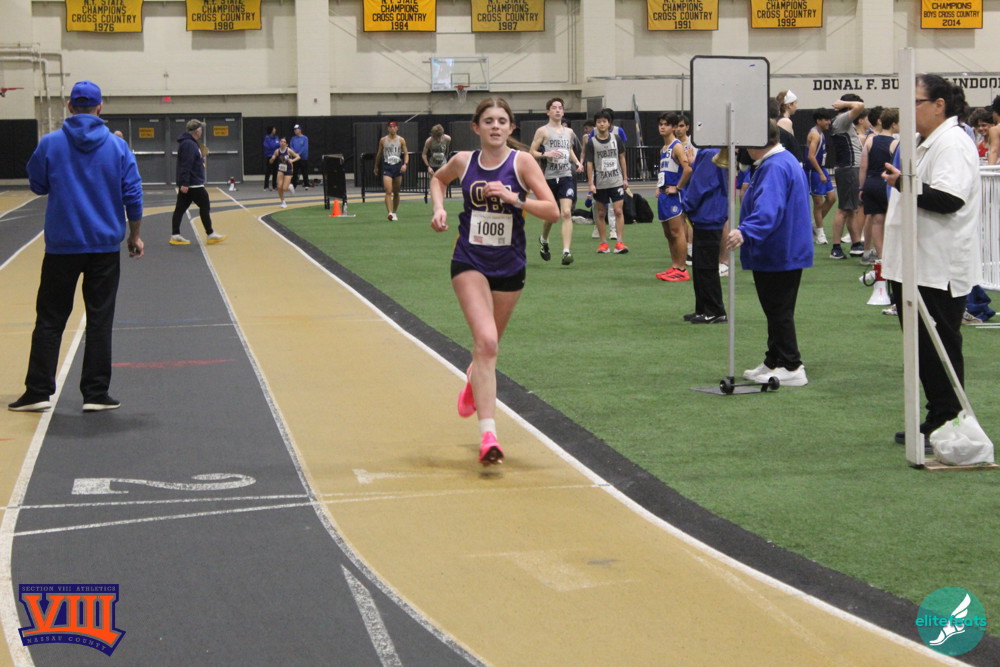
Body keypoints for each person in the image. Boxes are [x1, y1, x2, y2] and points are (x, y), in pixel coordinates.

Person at [429, 98, 558, 465]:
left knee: (488, 347)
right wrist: (439, 208)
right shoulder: (463, 161)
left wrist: (515, 199)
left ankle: (475, 376)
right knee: (485, 342)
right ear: (476, 127)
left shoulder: (523, 163)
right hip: (469, 259)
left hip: (510, 266)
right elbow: (438, 179)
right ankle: (489, 436)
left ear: (511, 128)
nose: (496, 126)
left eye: (502, 121)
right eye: (488, 121)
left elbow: (552, 210)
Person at [10, 80, 144, 413]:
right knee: (99, 319)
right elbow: (133, 195)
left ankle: (37, 391)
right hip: (104, 248)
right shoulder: (117, 146)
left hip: (62, 247)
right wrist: (135, 235)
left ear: (70, 106)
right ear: (100, 108)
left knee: (50, 319)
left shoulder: (50, 143)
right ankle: (96, 393)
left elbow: (38, 185)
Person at [881, 74, 981, 448]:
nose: (909, 111)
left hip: (937, 266)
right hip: (917, 263)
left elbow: (949, 199)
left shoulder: (952, 142)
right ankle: (938, 416)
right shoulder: (927, 142)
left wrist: (901, 183)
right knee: (924, 349)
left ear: (939, 105)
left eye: (916, 102)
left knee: (939, 348)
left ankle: (949, 421)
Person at [726, 120, 813, 387]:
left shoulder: (774, 166)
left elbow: (768, 209)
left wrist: (745, 231)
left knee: (778, 310)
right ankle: (774, 359)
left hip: (779, 250)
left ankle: (791, 364)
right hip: (782, 249)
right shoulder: (782, 161)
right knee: (777, 309)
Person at [530, 97, 583, 266]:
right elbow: (532, 151)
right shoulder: (542, 131)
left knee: (566, 213)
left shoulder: (569, 132)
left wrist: (577, 162)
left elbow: (569, 149)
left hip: (566, 176)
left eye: (560, 107)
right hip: (550, 178)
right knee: (551, 216)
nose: (558, 110)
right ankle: (544, 239)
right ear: (548, 112)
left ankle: (566, 251)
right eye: (554, 108)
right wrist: (546, 154)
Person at [681, 147, 728, 324]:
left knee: (706, 267)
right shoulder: (713, 152)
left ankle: (714, 310)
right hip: (708, 215)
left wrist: (687, 205)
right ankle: (703, 308)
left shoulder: (710, 153)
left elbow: (700, 185)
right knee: (701, 266)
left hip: (708, 215)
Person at [170, 120, 226, 246]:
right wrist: (185, 183)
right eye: (201, 129)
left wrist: (201, 158)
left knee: (180, 208)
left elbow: (191, 162)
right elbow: (186, 164)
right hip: (193, 183)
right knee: (204, 205)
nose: (202, 132)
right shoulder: (189, 144)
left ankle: (175, 235)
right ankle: (210, 234)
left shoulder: (190, 143)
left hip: (190, 182)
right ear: (197, 131)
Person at [654, 112, 692, 281]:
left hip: (674, 196)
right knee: (669, 234)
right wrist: (659, 186)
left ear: (674, 127)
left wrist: (678, 187)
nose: (662, 127)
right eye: (661, 124)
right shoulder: (664, 148)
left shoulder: (677, 146)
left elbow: (688, 169)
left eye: (666, 124)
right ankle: (675, 265)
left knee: (677, 232)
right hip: (664, 195)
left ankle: (682, 269)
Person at [858, 108, 899, 265]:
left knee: (876, 220)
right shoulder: (895, 143)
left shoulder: (870, 140)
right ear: (894, 124)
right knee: (888, 219)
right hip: (885, 184)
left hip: (871, 183)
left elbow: (863, 167)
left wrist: (862, 188)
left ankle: (880, 256)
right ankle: (887, 256)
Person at [586, 109, 630, 254]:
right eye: (599, 122)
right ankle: (603, 243)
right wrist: (591, 183)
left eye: (604, 121)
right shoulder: (592, 142)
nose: (602, 124)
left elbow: (622, 158)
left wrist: (625, 178)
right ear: (595, 124)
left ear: (609, 123)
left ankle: (619, 242)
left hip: (616, 180)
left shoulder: (616, 139)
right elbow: (589, 163)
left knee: (618, 211)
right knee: (600, 213)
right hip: (600, 182)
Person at [828, 94, 866, 259]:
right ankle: (836, 247)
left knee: (851, 209)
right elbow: (859, 106)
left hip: (849, 168)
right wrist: (845, 103)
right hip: (849, 168)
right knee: (844, 209)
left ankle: (856, 244)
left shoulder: (843, 122)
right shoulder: (841, 120)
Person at [805, 109, 835, 245]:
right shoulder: (815, 134)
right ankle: (820, 233)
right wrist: (821, 173)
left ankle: (814, 225)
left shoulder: (821, 133)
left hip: (821, 169)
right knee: (818, 203)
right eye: (826, 120)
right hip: (814, 171)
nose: (829, 122)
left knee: (832, 198)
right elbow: (811, 156)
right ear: (819, 121)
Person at [374, 120, 409, 221]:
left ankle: (394, 212)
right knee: (388, 190)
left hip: (397, 166)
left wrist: (405, 164)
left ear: (397, 128)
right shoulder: (383, 140)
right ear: (388, 128)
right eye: (390, 127)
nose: (392, 129)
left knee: (396, 191)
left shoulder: (401, 140)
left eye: (394, 127)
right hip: (387, 166)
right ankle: (389, 212)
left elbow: (406, 153)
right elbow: (379, 154)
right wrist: (376, 166)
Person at [269, 136, 300, 209]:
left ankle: (290, 187)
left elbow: (298, 157)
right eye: (281, 141)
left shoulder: (288, 150)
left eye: (284, 142)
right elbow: (270, 162)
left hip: (288, 170)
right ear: (279, 143)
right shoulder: (277, 151)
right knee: (279, 186)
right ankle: (283, 202)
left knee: (284, 188)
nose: (282, 143)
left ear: (286, 144)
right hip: (281, 169)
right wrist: (272, 159)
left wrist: (292, 160)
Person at [290, 124, 310, 189]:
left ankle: (306, 184)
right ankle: (294, 185)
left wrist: (298, 154)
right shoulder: (293, 138)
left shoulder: (305, 138)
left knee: (304, 171)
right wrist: (295, 154)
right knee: (295, 172)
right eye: (294, 130)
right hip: (295, 158)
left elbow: (304, 148)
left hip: (303, 158)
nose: (295, 131)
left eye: (296, 129)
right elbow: (291, 146)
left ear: (300, 130)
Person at [263, 126, 279, 191]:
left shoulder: (277, 137)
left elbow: (279, 145)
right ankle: (266, 186)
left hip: (276, 156)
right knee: (268, 171)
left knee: (275, 171)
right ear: (271, 130)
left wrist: (277, 145)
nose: (275, 130)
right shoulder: (267, 138)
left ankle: (274, 186)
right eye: (274, 129)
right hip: (269, 156)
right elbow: (271, 146)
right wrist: (276, 145)